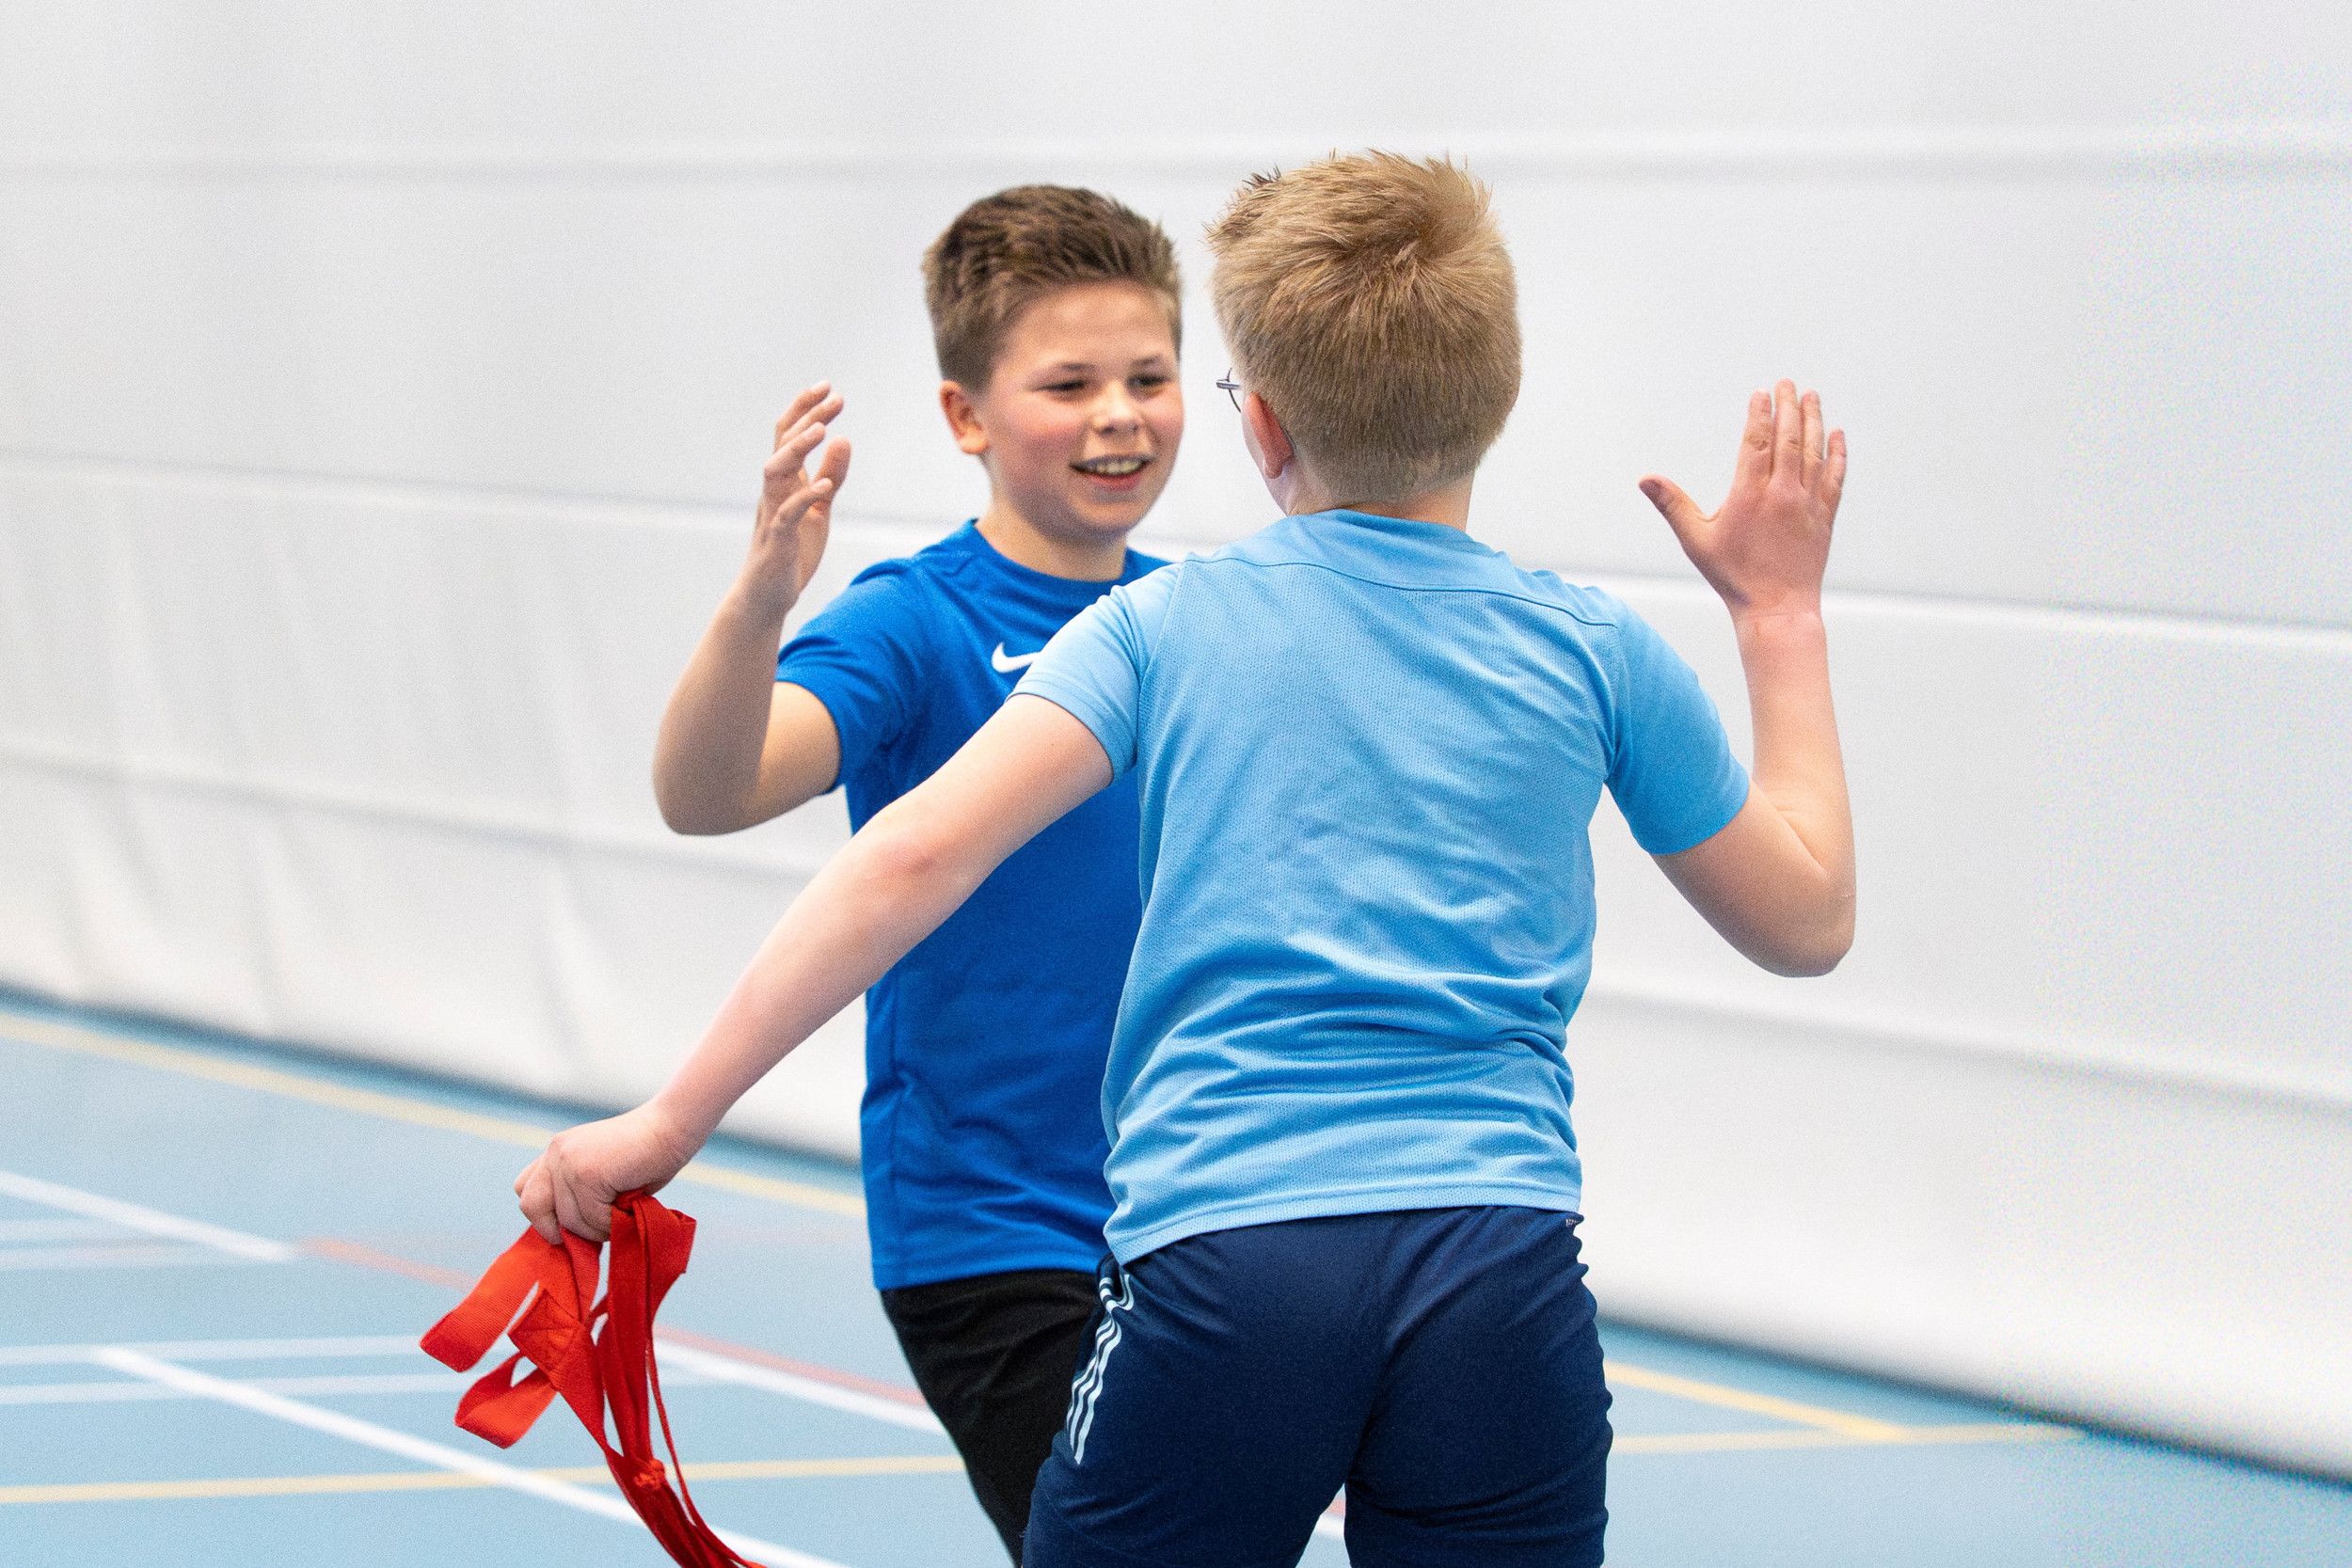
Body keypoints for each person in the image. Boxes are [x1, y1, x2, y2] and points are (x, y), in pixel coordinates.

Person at [520, 151, 1854, 1568]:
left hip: (1233, 1260)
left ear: (1257, 422)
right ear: (1501, 399)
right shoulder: (1599, 650)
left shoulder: (1161, 631)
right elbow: (1806, 920)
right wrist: (1778, 617)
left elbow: (911, 859)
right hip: (1503, 1267)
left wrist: (666, 1123)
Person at [636, 183, 1184, 1561]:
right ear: (966, 417)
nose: (1119, 413)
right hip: (994, 1231)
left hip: (1196, 1208)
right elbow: (709, 791)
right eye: (1070, 383)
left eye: (1150, 376)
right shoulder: (917, 620)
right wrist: (761, 598)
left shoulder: (1199, 618)